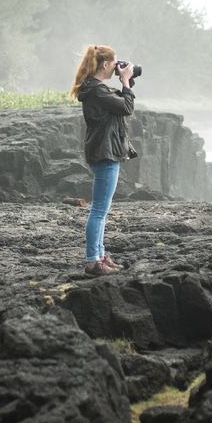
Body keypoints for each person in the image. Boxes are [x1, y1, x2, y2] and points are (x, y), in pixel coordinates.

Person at [69, 44, 136, 276]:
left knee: (101, 210)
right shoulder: (97, 91)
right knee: (99, 210)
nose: (117, 66)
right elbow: (127, 107)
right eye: (115, 63)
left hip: (103, 151)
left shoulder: (95, 89)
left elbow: (119, 106)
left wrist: (125, 81)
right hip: (105, 153)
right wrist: (125, 81)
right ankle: (92, 261)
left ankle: (99, 256)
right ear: (106, 64)